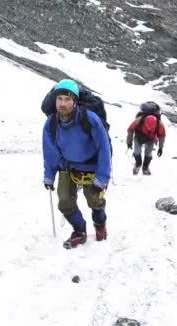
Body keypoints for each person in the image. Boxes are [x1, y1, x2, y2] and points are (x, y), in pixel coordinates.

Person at [42, 79, 112, 249]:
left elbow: (104, 148)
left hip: (91, 166)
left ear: (75, 101)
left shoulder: (90, 119)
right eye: (60, 99)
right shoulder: (51, 123)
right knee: (65, 202)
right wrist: (49, 175)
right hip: (68, 166)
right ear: (55, 100)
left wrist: (102, 178)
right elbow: (50, 151)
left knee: (95, 201)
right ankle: (79, 231)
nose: (63, 103)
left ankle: (99, 223)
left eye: (68, 99)